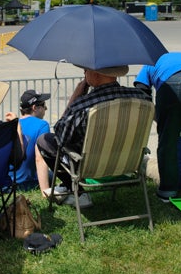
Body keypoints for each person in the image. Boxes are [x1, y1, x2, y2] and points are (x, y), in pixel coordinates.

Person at [36, 64, 152, 209]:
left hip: (91, 166)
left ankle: (78, 193)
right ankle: (67, 188)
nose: (84, 74)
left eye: (85, 71)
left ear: (94, 75)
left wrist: (74, 98)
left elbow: (61, 136)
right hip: (128, 162)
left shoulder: (83, 104)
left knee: (45, 140)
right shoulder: (140, 98)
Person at [133, 52, 181, 202]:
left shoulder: (150, 63)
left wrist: (162, 120)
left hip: (174, 83)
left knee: (168, 142)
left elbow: (142, 95)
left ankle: (167, 191)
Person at [5, 89, 51, 192]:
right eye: (43, 105)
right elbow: (40, 159)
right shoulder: (42, 125)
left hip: (6, 184)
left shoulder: (11, 124)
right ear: (34, 107)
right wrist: (45, 191)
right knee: (52, 174)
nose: (46, 108)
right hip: (26, 184)